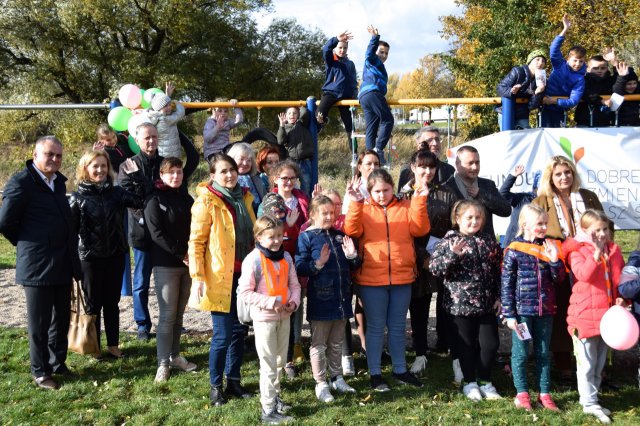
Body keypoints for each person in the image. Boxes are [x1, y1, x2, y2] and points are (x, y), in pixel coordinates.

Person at [0, 136, 81, 390]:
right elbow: (5, 222)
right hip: (37, 264)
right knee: (39, 323)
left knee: (61, 318)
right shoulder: (21, 182)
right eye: (49, 154)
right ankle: (40, 371)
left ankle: (57, 363)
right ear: (35, 155)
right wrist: (29, 243)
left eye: (59, 155)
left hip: (61, 261)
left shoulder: (58, 182)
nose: (55, 159)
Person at [344, 168, 429, 391]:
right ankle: (375, 374)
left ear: (393, 188)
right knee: (375, 328)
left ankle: (400, 369)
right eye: (377, 191)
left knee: (398, 327)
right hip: (372, 279)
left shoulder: (405, 206)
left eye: (386, 190)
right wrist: (354, 203)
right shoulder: (363, 209)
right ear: (369, 191)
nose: (382, 195)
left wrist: (420, 200)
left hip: (402, 277)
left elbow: (420, 229)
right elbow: (351, 230)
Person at [188, 152, 256, 406]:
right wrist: (198, 277)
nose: (229, 175)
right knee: (222, 335)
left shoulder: (245, 197)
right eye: (223, 171)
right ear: (213, 175)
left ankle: (234, 381)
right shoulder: (206, 201)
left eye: (232, 170)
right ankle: (215, 386)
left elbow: (253, 232)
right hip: (219, 277)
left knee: (239, 332)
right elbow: (196, 243)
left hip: (244, 275)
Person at [532, 155, 604, 382]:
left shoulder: (588, 197)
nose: (564, 177)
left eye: (567, 172)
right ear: (550, 178)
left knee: (590, 310)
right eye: (558, 174)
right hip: (558, 265)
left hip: (589, 263)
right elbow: (535, 233)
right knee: (562, 312)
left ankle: (593, 366)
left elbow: (604, 225)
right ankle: (563, 364)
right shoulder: (542, 201)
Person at [69, 150, 141, 359]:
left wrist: (135, 176)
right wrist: (73, 263)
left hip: (116, 256)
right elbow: (71, 234)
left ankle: (113, 345)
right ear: (86, 169)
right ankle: (94, 347)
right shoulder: (76, 198)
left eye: (103, 166)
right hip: (89, 260)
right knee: (93, 305)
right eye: (95, 166)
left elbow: (140, 200)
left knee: (112, 303)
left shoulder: (117, 193)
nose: (100, 170)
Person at [429, 200, 503, 401]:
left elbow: (498, 272)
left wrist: (498, 297)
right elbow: (435, 269)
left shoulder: (488, 241)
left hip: (486, 305)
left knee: (490, 345)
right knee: (466, 345)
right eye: (469, 217)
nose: (474, 221)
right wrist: (453, 255)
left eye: (478, 217)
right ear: (458, 219)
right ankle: (469, 382)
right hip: (459, 306)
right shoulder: (448, 242)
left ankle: (485, 381)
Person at [501, 204, 566, 411]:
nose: (544, 227)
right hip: (522, 314)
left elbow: (559, 279)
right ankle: (522, 394)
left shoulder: (548, 247)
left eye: (545, 223)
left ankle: (544, 394)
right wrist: (509, 314)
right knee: (520, 354)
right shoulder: (514, 250)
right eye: (539, 223)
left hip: (545, 311)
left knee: (543, 353)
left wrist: (555, 261)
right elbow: (506, 285)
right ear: (525, 224)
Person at [399, 150, 458, 375]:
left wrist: (443, 254)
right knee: (419, 305)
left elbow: (455, 226)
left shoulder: (447, 193)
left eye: (431, 167)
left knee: (448, 303)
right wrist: (423, 256)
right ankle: (420, 352)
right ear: (413, 167)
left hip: (444, 256)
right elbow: (402, 229)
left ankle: (453, 351)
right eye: (422, 167)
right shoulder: (403, 194)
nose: (427, 171)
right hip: (416, 257)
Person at [562, 210, 625, 424]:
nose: (601, 234)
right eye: (596, 230)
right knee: (587, 363)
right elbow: (584, 275)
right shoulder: (577, 251)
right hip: (584, 316)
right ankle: (588, 403)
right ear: (585, 231)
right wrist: (596, 253)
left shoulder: (614, 250)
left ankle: (593, 398)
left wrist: (622, 299)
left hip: (607, 317)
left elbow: (618, 279)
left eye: (604, 229)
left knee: (599, 363)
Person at [296, 195, 361, 403]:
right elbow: (299, 265)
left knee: (337, 342)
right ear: (313, 214)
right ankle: (321, 382)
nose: (330, 217)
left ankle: (337, 377)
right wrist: (318, 263)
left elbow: (354, 265)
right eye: (324, 213)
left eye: (332, 213)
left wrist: (352, 256)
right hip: (321, 299)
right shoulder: (306, 237)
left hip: (341, 299)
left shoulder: (340, 236)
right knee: (319, 344)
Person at [238, 214, 301, 424]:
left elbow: (295, 285)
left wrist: (294, 301)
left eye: (279, 236)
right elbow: (245, 293)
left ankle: (275, 398)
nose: (275, 241)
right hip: (265, 319)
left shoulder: (286, 258)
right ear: (259, 237)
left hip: (285, 316)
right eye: (270, 237)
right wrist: (271, 302)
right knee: (268, 364)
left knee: (280, 361)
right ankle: (267, 410)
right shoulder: (253, 260)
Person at [144, 157, 196, 383]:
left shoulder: (187, 198)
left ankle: (175, 355)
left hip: (188, 264)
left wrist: (192, 254)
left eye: (179, 172)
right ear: (162, 175)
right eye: (170, 172)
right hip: (167, 264)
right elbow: (156, 234)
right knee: (166, 316)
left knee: (179, 315)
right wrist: (180, 254)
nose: (175, 176)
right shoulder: (154, 199)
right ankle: (163, 362)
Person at [118, 123, 164, 341]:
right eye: (147, 138)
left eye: (154, 137)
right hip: (141, 232)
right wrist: (151, 191)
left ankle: (169, 321)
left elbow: (170, 193)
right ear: (137, 140)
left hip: (165, 233)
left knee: (166, 281)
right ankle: (142, 325)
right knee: (141, 281)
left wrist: (145, 186)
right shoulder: (127, 165)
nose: (151, 141)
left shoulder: (165, 164)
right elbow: (133, 198)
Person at [265, 160, 309, 377]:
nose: (289, 182)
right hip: (277, 260)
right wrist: (289, 226)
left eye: (292, 178)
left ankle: (291, 354)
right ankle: (278, 358)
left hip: (298, 258)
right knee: (279, 309)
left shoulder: (301, 198)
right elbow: (268, 229)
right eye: (284, 178)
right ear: (275, 179)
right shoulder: (271, 200)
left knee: (295, 306)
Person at [92, 124, 135, 298]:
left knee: (125, 237)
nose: (111, 141)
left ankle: (125, 285)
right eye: (107, 140)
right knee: (116, 235)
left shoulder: (120, 146)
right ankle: (120, 285)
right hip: (114, 191)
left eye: (113, 138)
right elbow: (95, 164)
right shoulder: (105, 153)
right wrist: (96, 152)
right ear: (101, 141)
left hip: (124, 189)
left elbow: (128, 154)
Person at [446, 145, 511, 239]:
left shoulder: (487, 185)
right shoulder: (447, 188)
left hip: (486, 247)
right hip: (457, 247)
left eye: (477, 162)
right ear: (457, 164)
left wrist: (482, 195)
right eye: (470, 163)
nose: (475, 167)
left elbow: (506, 210)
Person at [541, 13, 586, 128]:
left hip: (559, 109)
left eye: (581, 61)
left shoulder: (580, 79)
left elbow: (573, 101)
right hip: (543, 106)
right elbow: (553, 49)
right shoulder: (560, 65)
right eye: (575, 60)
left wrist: (555, 101)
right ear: (568, 59)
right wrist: (565, 29)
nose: (578, 64)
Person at [358, 25, 393, 164]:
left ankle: (369, 156)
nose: (384, 56)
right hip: (372, 92)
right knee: (388, 119)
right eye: (381, 52)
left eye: (386, 53)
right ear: (376, 52)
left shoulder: (379, 65)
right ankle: (378, 149)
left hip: (364, 97)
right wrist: (374, 38)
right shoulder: (372, 60)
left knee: (371, 127)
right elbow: (369, 53)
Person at [316, 30, 358, 145]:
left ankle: (354, 151)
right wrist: (336, 39)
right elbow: (326, 50)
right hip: (331, 93)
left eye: (345, 48)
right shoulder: (331, 60)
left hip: (346, 96)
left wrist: (355, 97)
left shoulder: (350, 64)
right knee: (319, 114)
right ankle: (323, 121)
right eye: (340, 47)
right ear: (335, 48)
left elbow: (354, 81)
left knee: (350, 125)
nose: (342, 50)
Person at [496, 49, 547, 130]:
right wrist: (511, 91)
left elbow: (531, 106)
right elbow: (500, 87)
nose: (540, 63)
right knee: (508, 139)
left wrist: (538, 92)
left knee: (526, 139)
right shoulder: (518, 71)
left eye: (543, 61)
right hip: (506, 111)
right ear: (530, 61)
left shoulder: (542, 81)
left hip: (522, 114)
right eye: (537, 59)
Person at [397, 126, 455, 191]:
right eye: (429, 140)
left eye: (437, 139)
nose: (435, 143)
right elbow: (401, 196)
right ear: (419, 145)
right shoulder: (408, 170)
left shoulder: (448, 170)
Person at [499, 165, 541, 248]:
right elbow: (503, 194)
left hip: (535, 247)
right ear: (536, 186)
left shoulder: (551, 201)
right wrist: (513, 176)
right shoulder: (524, 198)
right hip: (513, 244)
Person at [277, 106, 314, 196]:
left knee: (306, 184)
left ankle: (306, 205)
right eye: (289, 113)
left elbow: (304, 112)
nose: (292, 115)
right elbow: (280, 141)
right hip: (291, 160)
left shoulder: (301, 124)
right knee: (291, 185)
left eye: (294, 113)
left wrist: (300, 104)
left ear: (298, 115)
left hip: (304, 160)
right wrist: (281, 125)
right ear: (286, 116)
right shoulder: (285, 128)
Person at [145, 82, 186, 159]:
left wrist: (167, 96)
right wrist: (177, 104)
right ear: (159, 109)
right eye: (165, 106)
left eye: (170, 104)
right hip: (172, 153)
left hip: (162, 153)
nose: (169, 108)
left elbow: (161, 106)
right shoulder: (166, 120)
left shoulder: (154, 116)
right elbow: (180, 113)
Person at [574, 54, 615, 127]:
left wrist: (614, 62)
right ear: (588, 69)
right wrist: (601, 101)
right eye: (595, 68)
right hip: (585, 121)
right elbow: (585, 92)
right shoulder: (582, 80)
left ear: (607, 68)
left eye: (603, 68)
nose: (599, 70)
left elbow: (622, 82)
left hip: (606, 121)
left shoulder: (611, 81)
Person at [227, 142, 267, 214]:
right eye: (241, 159)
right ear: (232, 159)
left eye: (249, 160)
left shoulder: (257, 180)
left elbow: (265, 201)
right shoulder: (226, 181)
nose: (245, 163)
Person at [612, 62, 640, 126]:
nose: (632, 86)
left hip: (635, 123)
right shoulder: (618, 89)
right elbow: (618, 90)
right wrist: (622, 77)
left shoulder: (637, 90)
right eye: (629, 84)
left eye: (634, 83)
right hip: (619, 124)